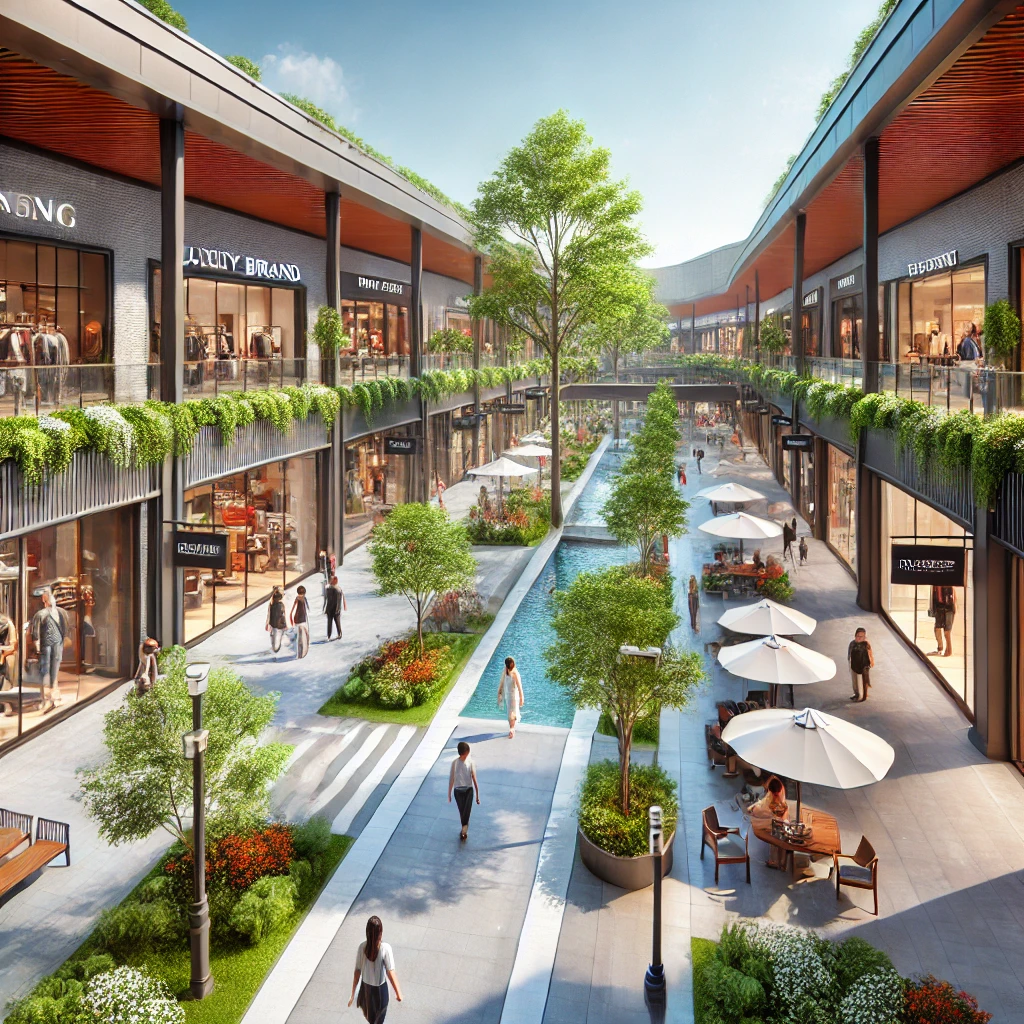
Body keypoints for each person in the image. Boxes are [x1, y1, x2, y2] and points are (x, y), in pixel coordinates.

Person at [348, 915, 402, 1022]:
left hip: (366, 991)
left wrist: (353, 994)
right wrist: (398, 992)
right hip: (380, 992)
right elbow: (390, 971)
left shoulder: (361, 947)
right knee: (378, 1020)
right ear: (380, 932)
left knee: (371, 1020)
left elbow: (357, 972)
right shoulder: (385, 948)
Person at [30, 588, 69, 713]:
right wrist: (37, 647)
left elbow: (65, 628)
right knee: (46, 671)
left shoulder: (61, 613)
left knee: (53, 670)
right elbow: (35, 633)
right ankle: (48, 698)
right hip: (46, 645)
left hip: (56, 645)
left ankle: (54, 696)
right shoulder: (41, 614)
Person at [748, 776, 789, 868]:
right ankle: (774, 860)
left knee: (778, 832)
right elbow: (767, 801)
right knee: (772, 829)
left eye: (776, 794)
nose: (775, 795)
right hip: (772, 813)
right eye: (773, 793)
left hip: (779, 815)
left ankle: (779, 861)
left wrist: (783, 818)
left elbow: (784, 807)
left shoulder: (780, 790)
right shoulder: (771, 789)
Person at [448, 740, 480, 841]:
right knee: (462, 812)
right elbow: (452, 778)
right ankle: (464, 829)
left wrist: (477, 795)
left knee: (467, 811)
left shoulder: (471, 762)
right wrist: (449, 793)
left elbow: (474, 778)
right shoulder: (455, 763)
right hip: (458, 790)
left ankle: (464, 830)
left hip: (468, 790)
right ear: (463, 753)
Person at [497, 655, 525, 739]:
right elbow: (519, 686)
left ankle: (511, 728)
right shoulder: (512, 672)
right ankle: (512, 728)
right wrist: (521, 697)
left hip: (510, 696)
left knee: (511, 713)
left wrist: (499, 693)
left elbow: (502, 683)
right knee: (512, 712)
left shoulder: (508, 672)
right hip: (511, 696)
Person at [848, 627, 874, 702]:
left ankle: (862, 696)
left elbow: (869, 656)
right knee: (855, 683)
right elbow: (850, 654)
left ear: (864, 637)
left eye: (861, 636)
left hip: (862, 667)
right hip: (854, 665)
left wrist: (866, 667)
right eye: (858, 636)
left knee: (862, 683)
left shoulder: (866, 645)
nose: (859, 638)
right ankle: (856, 694)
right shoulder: (852, 643)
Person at [930, 585, 956, 657]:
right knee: (937, 628)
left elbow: (953, 596)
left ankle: (948, 650)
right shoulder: (935, 586)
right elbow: (933, 597)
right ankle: (940, 648)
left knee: (947, 631)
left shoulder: (949, 585)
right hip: (939, 607)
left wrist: (954, 608)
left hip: (948, 608)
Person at [324, 574, 346, 641]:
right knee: (337, 622)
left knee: (330, 623)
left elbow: (327, 598)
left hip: (330, 608)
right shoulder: (339, 589)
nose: (330, 580)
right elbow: (341, 599)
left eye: (331, 579)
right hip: (337, 609)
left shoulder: (329, 589)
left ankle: (329, 636)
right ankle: (339, 634)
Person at [290, 585, 310, 659]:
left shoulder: (297, 598)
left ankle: (299, 654)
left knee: (299, 637)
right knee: (303, 637)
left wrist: (291, 618)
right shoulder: (304, 599)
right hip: (302, 620)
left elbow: (293, 610)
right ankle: (302, 653)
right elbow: (307, 610)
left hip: (297, 620)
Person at [266, 586, 287, 654]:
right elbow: (283, 615)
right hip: (280, 623)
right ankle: (276, 648)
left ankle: (274, 647)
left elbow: (269, 614)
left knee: (274, 635)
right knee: (279, 635)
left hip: (273, 623)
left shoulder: (271, 604)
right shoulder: (281, 605)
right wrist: (285, 624)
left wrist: (267, 623)